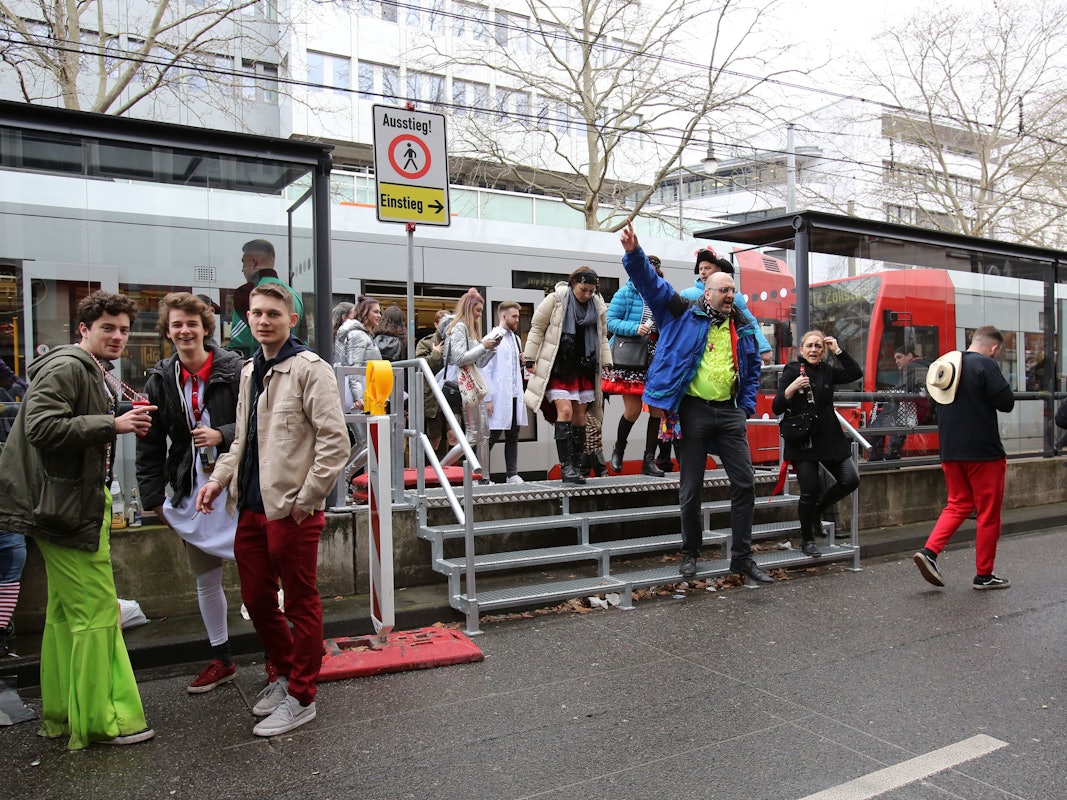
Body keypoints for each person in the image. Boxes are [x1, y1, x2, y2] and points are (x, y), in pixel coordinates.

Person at [0, 290, 157, 748]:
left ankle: (69, 711)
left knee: (67, 613)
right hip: (64, 508)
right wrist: (115, 424)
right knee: (94, 612)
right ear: (83, 329)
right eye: (108, 328)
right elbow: (41, 427)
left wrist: (119, 415)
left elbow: (60, 423)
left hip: (64, 504)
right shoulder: (71, 366)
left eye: (124, 330)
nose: (118, 336)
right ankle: (104, 719)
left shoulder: (82, 367)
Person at [196, 283, 349, 737]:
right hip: (250, 507)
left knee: (300, 602)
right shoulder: (250, 371)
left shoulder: (309, 369)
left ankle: (302, 696)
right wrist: (218, 480)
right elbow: (241, 441)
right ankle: (283, 674)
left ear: (291, 319)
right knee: (257, 599)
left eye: (272, 314)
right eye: (256, 313)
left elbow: (335, 441)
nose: (263, 321)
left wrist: (306, 500)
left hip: (290, 510)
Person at [619, 223, 772, 585]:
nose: (730, 295)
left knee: (745, 483)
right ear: (707, 291)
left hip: (730, 411)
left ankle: (743, 558)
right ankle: (690, 553)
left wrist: (745, 407)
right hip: (691, 410)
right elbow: (650, 284)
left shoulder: (742, 325)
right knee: (691, 487)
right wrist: (633, 253)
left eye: (733, 289)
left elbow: (751, 371)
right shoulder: (680, 311)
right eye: (723, 290)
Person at [136, 293, 243, 694]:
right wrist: (152, 500)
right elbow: (149, 444)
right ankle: (222, 658)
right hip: (192, 489)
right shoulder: (160, 378)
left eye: (191, 324)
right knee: (206, 577)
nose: (184, 330)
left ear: (205, 328)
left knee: (256, 574)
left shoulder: (235, 368)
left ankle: (274, 658)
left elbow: (256, 423)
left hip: (235, 487)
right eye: (177, 324)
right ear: (167, 330)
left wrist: (222, 434)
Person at [913, 326, 1015, 590]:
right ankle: (984, 575)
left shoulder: (945, 362)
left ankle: (929, 552)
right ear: (994, 348)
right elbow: (1006, 401)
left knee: (957, 504)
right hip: (984, 451)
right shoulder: (985, 364)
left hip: (950, 449)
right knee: (988, 514)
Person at [772, 331, 863, 557]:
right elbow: (777, 407)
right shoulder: (792, 370)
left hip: (830, 436)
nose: (814, 350)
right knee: (809, 490)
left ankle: (818, 512)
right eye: (810, 346)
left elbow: (854, 373)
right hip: (803, 439)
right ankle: (807, 539)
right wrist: (792, 388)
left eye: (819, 347)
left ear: (823, 351)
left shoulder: (827, 371)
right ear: (801, 349)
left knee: (850, 479)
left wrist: (838, 351)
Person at [523, 268, 611, 485]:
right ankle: (566, 467)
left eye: (591, 291)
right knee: (565, 410)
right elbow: (537, 329)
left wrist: (607, 361)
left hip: (585, 366)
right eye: (584, 290)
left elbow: (601, 337)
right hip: (560, 364)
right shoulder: (556, 300)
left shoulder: (597, 305)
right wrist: (529, 358)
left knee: (580, 417)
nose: (588, 295)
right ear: (573, 284)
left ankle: (577, 465)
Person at [604, 254, 667, 476]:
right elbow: (610, 322)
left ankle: (649, 461)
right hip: (632, 356)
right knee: (633, 410)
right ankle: (618, 449)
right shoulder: (625, 292)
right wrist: (635, 328)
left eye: (654, 273)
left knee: (657, 411)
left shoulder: (661, 294)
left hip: (656, 357)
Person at [443, 289, 499, 483]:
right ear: (468, 309)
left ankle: (483, 477)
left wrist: (489, 348)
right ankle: (440, 468)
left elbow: (478, 362)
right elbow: (459, 359)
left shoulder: (466, 328)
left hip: (471, 382)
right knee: (475, 434)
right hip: (465, 382)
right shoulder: (460, 327)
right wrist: (484, 346)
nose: (479, 315)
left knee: (483, 433)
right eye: (477, 310)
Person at [681, 247, 774, 365]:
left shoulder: (735, 296)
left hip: (726, 351)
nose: (703, 272)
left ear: (719, 270)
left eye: (707, 268)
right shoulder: (687, 295)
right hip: (696, 352)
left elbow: (749, 323)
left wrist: (763, 348)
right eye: (700, 269)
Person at [227, 239, 304, 357]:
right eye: (258, 313)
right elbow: (303, 338)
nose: (242, 269)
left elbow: (239, 344)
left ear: (254, 262)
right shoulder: (295, 295)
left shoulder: (247, 293)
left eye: (244, 263)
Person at [483, 301, 528, 484]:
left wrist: (522, 361)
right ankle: (482, 475)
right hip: (498, 396)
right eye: (514, 316)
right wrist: (487, 399)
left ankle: (512, 473)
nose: (517, 320)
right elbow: (485, 369)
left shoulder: (516, 340)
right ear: (503, 316)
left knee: (513, 435)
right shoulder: (493, 337)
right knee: (491, 436)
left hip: (514, 395)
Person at [868, 346, 932, 461]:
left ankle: (878, 459)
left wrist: (886, 393)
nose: (897, 361)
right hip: (923, 411)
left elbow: (901, 389)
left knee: (877, 424)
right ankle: (889, 457)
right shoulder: (923, 366)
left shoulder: (912, 367)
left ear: (910, 356)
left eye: (899, 357)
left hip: (914, 411)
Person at [415, 310, 453, 459]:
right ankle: (430, 470)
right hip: (432, 398)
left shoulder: (456, 340)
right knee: (434, 437)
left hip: (452, 395)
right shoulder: (425, 342)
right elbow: (419, 367)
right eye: (442, 322)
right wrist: (436, 353)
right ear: (436, 324)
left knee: (454, 435)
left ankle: (451, 472)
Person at [335, 294, 382, 412]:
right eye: (376, 312)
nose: (379, 316)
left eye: (379, 312)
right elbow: (354, 367)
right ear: (365, 313)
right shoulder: (358, 335)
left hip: (365, 392)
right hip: (361, 396)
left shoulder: (363, 334)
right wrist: (359, 398)